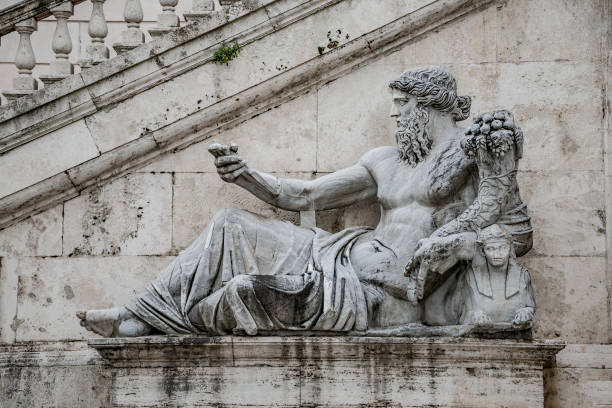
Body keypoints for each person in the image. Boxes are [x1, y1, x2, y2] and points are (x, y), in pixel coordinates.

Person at [77, 66, 524, 337]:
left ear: (428, 106)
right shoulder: (383, 161)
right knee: (231, 223)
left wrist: (454, 244)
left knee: (243, 293)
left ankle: (156, 321)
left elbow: (516, 231)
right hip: (338, 251)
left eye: (402, 103)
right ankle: (138, 314)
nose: (394, 113)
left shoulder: (475, 154)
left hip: (373, 291)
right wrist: (247, 176)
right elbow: (305, 194)